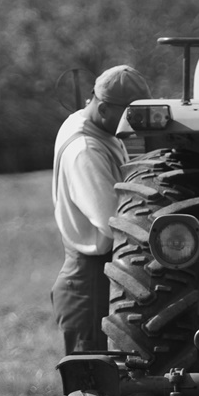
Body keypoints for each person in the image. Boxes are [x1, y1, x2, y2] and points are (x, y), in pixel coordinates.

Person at [51, 64, 151, 355]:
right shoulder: (86, 149)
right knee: (93, 386)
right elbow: (113, 221)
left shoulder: (92, 125)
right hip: (90, 282)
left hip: (101, 274)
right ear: (104, 108)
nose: (134, 123)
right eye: (129, 114)